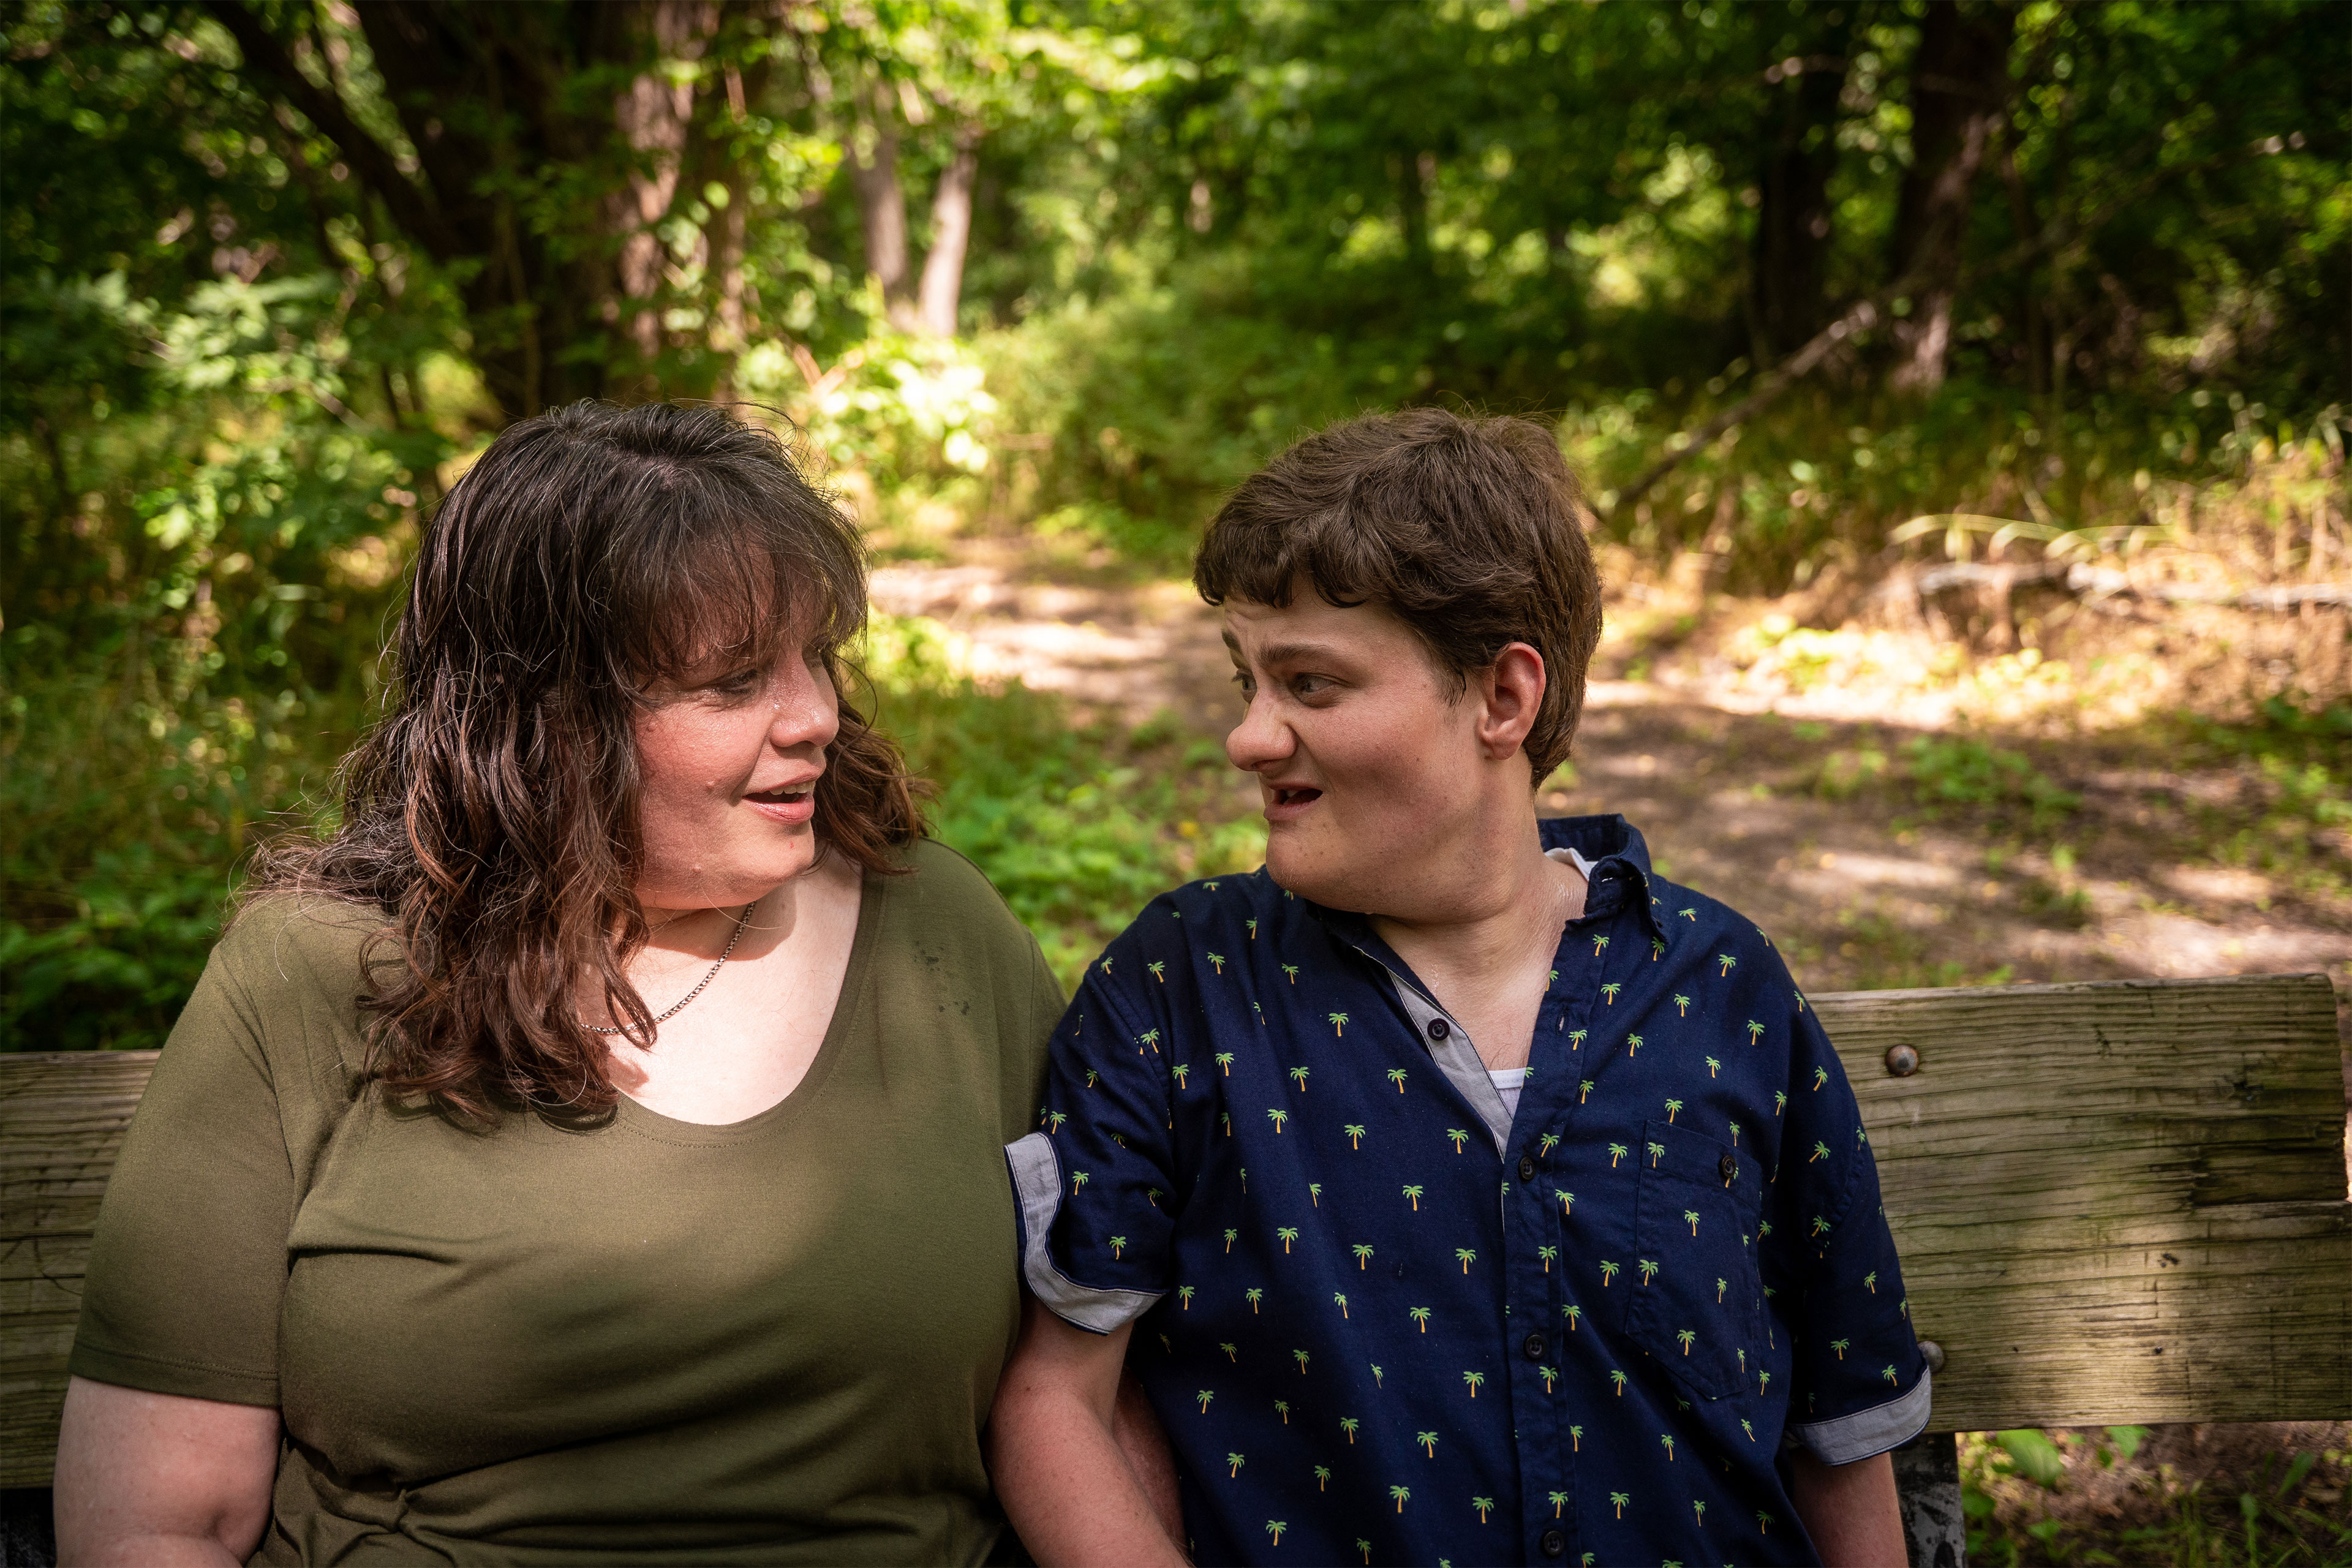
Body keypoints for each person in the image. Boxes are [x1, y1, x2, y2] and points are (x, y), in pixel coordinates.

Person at [54, 402, 1069, 1566]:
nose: (818, 717)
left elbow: (1095, 1383)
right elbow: (157, 1524)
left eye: (817, 659)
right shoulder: (315, 977)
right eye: (734, 682)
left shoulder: (939, 939)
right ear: (550, 723)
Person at [987, 409, 1928, 1567]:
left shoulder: (1720, 990)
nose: (1246, 737)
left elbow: (1844, 1430)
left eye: (1311, 685)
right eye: (1248, 680)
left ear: (1501, 700)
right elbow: (1055, 1403)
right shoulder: (1188, 988)